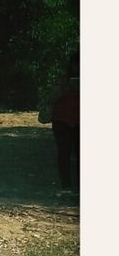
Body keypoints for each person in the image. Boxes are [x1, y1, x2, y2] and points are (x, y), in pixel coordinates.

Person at [40, 58, 79, 190]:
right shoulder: (62, 82)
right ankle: (66, 185)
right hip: (62, 121)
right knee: (64, 154)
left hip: (72, 120)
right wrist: (64, 88)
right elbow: (49, 97)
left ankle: (75, 186)